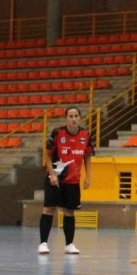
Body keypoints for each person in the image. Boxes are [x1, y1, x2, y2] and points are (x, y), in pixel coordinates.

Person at [38, 106, 93, 255]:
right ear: (66, 118)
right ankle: (43, 243)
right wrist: (52, 174)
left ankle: (69, 244)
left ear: (79, 118)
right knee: (49, 209)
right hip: (55, 178)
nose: (73, 119)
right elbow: (47, 154)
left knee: (69, 211)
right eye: (70, 116)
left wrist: (88, 176)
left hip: (73, 180)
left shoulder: (85, 134)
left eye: (76, 116)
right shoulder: (57, 133)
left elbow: (87, 156)